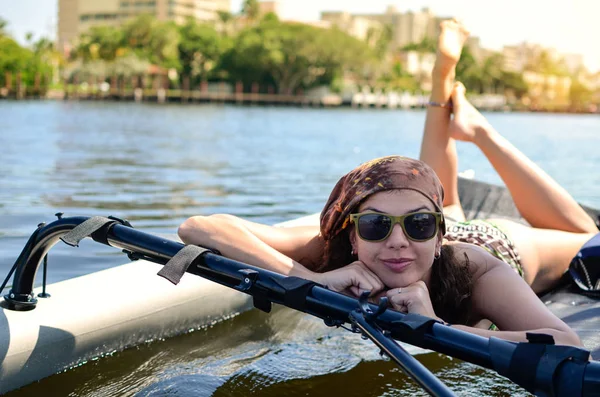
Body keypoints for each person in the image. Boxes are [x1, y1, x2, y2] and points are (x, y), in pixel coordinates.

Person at [177, 21, 597, 347]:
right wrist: (312, 278)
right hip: (438, 227)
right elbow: (200, 227)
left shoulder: (475, 269)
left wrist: (437, 328)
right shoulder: (335, 248)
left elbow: (565, 342)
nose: (395, 241)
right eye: (377, 225)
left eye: (417, 225)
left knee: (585, 235)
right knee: (430, 198)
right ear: (354, 236)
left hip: (504, 244)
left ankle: (478, 130)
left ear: (438, 238)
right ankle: (441, 83)